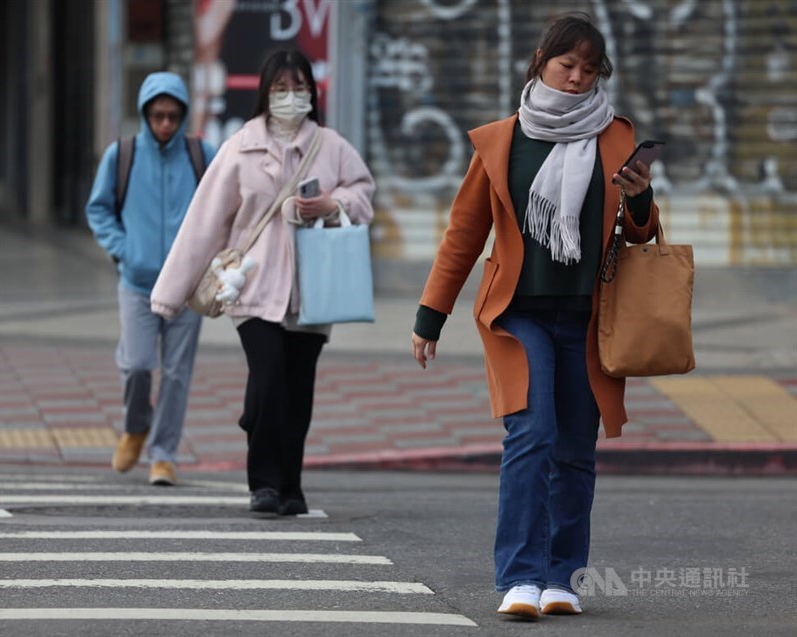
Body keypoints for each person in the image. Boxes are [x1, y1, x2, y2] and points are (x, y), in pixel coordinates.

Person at [411, 14, 659, 618]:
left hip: (587, 318)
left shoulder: (616, 139)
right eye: (565, 65)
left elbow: (642, 237)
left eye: (588, 69)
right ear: (540, 63)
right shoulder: (501, 140)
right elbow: (464, 232)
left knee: (575, 448)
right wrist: (429, 314)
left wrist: (640, 197)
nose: (576, 79)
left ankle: (561, 579)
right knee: (532, 433)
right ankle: (520, 576)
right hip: (516, 316)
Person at [150, 49, 375, 516]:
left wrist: (332, 204)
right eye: (280, 88)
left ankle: (292, 486)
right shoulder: (240, 146)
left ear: (312, 92)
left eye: (299, 87)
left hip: (314, 290)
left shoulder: (331, 145)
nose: (290, 97)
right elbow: (204, 222)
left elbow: (364, 194)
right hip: (250, 287)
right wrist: (169, 295)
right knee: (269, 376)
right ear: (265, 93)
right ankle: (264, 483)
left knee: (298, 388)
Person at [85, 72, 217, 486]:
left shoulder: (201, 154)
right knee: (139, 365)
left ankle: (164, 454)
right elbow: (99, 209)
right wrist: (126, 250)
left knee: (177, 374)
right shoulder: (121, 155)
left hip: (187, 286)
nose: (165, 124)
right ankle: (136, 425)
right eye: (158, 115)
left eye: (173, 116)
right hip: (138, 283)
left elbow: (223, 207)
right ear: (145, 114)